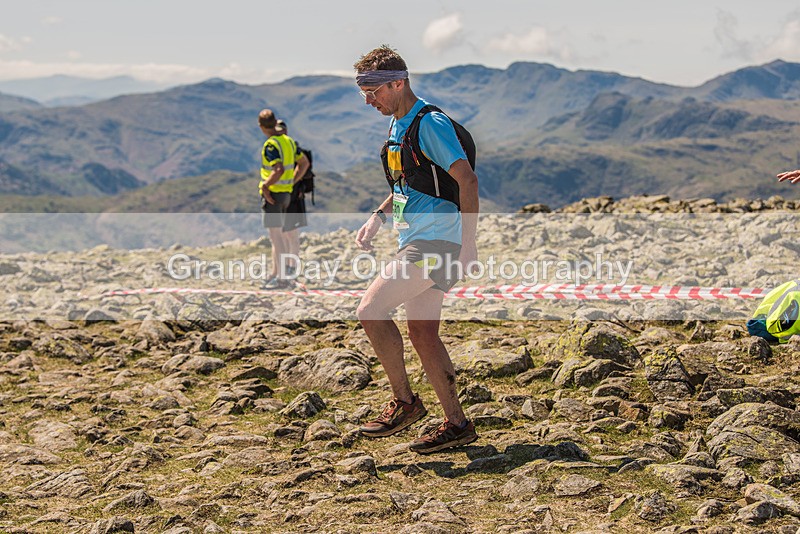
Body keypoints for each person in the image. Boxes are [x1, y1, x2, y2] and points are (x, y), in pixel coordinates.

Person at [352, 45, 480, 454]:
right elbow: (408, 182)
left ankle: (406, 404)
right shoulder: (398, 123)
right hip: (420, 238)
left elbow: (468, 181)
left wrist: (469, 247)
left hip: (437, 241)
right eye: (363, 92)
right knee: (423, 333)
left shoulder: (430, 123)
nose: (369, 100)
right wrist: (379, 214)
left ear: (398, 82)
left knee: (370, 310)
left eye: (373, 90)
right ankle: (457, 424)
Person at [257, 109, 309, 289]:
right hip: (287, 193)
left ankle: (281, 278)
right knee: (283, 237)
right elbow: (304, 163)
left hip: (274, 194)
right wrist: (292, 181)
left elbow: (277, 169)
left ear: (262, 126)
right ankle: (282, 275)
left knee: (277, 239)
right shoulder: (289, 142)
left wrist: (265, 186)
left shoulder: (271, 145)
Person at [276, 119, 309, 276]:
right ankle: (282, 270)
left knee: (291, 236)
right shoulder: (281, 147)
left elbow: (304, 164)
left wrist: (291, 183)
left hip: (292, 197)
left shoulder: (291, 147)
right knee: (282, 236)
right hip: (285, 196)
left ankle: (290, 270)